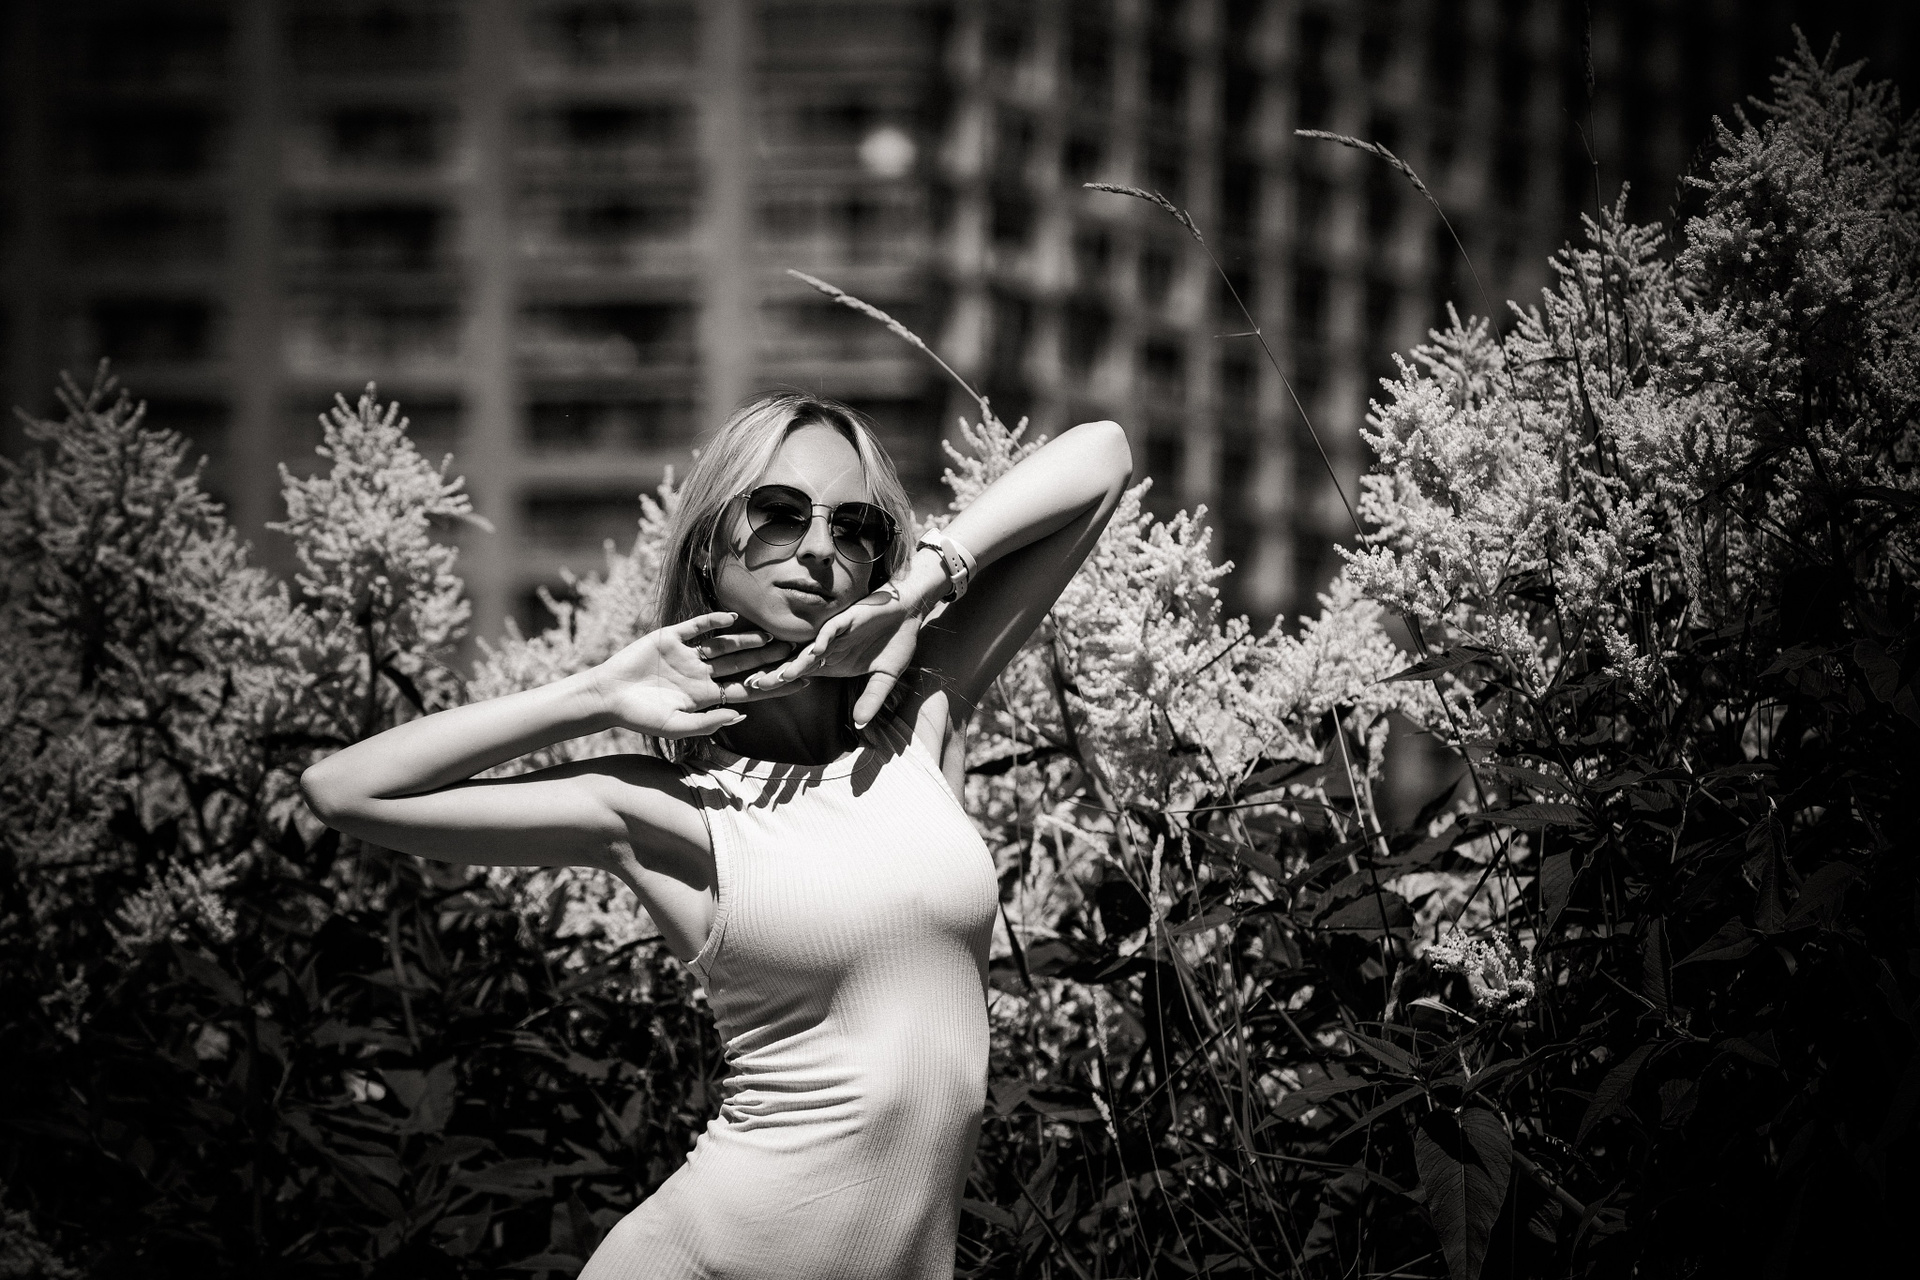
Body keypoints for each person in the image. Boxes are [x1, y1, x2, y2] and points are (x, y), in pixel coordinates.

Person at [300, 392, 1131, 1278]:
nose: (820, 548)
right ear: (707, 546)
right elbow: (343, 789)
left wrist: (917, 585)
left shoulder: (920, 719)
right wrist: (597, 694)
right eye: (778, 514)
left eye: (855, 527)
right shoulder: (669, 811)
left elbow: (1104, 455)